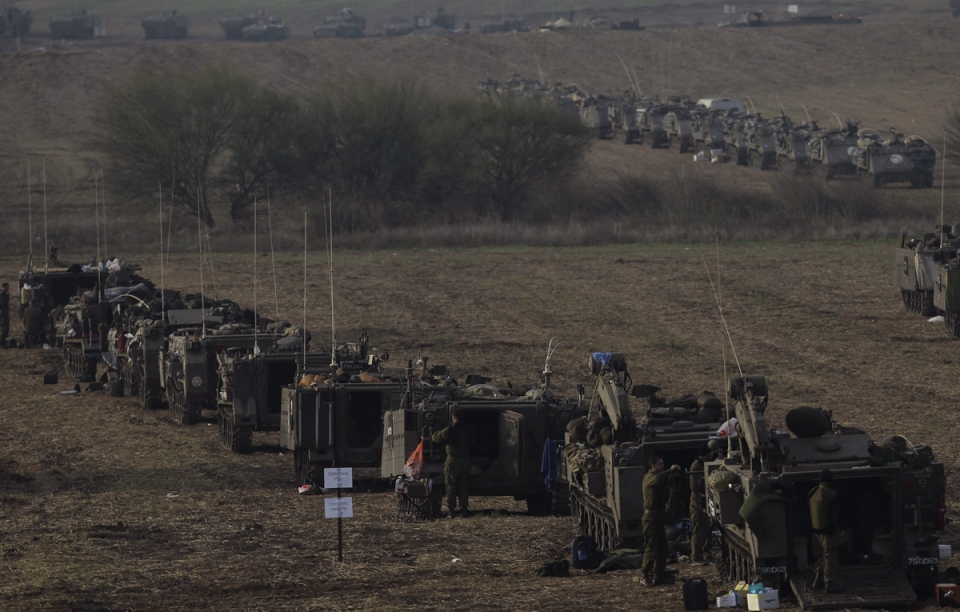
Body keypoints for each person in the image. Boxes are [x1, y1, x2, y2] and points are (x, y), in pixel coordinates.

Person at [640, 455, 682, 587]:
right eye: (659, 464)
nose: (662, 466)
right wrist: (671, 470)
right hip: (650, 518)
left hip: (658, 517)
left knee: (662, 548)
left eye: (662, 464)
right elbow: (658, 479)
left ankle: (658, 574)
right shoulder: (649, 477)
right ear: (652, 465)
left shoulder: (657, 477)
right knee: (651, 547)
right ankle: (645, 574)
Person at [430, 405, 476, 519]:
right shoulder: (469, 430)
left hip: (453, 460)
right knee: (463, 485)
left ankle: (451, 511)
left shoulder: (449, 430)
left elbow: (435, 437)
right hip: (466, 460)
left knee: (451, 485)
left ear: (454, 417)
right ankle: (464, 510)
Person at [808, 469, 845, 593]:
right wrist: (842, 528)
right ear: (831, 480)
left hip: (815, 531)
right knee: (830, 555)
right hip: (827, 532)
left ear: (820, 479)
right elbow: (838, 514)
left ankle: (817, 580)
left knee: (819, 556)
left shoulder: (812, 492)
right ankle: (829, 583)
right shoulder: (831, 494)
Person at [689, 444, 714, 565]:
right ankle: (696, 557)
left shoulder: (703, 465)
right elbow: (695, 488)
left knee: (707, 531)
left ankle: (707, 553)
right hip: (698, 505)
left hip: (705, 504)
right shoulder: (696, 466)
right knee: (699, 531)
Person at [0, 282, 9, 347]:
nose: (8, 289)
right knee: (5, 327)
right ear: (3, 287)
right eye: (7, 288)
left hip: (3, 312)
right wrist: (7, 297)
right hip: (3, 312)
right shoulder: (2, 295)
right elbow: (3, 303)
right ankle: (2, 341)